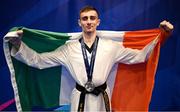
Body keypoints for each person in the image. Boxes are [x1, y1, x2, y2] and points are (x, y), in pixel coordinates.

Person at [8, 6, 173, 111]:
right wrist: (18, 44)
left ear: (98, 22)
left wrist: (162, 36)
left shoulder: (111, 47)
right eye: (85, 18)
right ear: (79, 22)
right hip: (79, 97)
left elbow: (140, 56)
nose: (88, 22)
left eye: (92, 18)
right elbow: (38, 60)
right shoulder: (68, 49)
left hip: (102, 97)